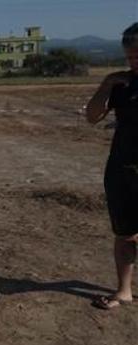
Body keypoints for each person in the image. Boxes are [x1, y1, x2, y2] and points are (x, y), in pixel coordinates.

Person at [86, 23, 138, 309]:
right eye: (130, 58)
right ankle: (124, 290)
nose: (133, 63)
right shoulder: (123, 84)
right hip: (122, 167)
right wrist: (106, 85)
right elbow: (92, 117)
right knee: (125, 232)